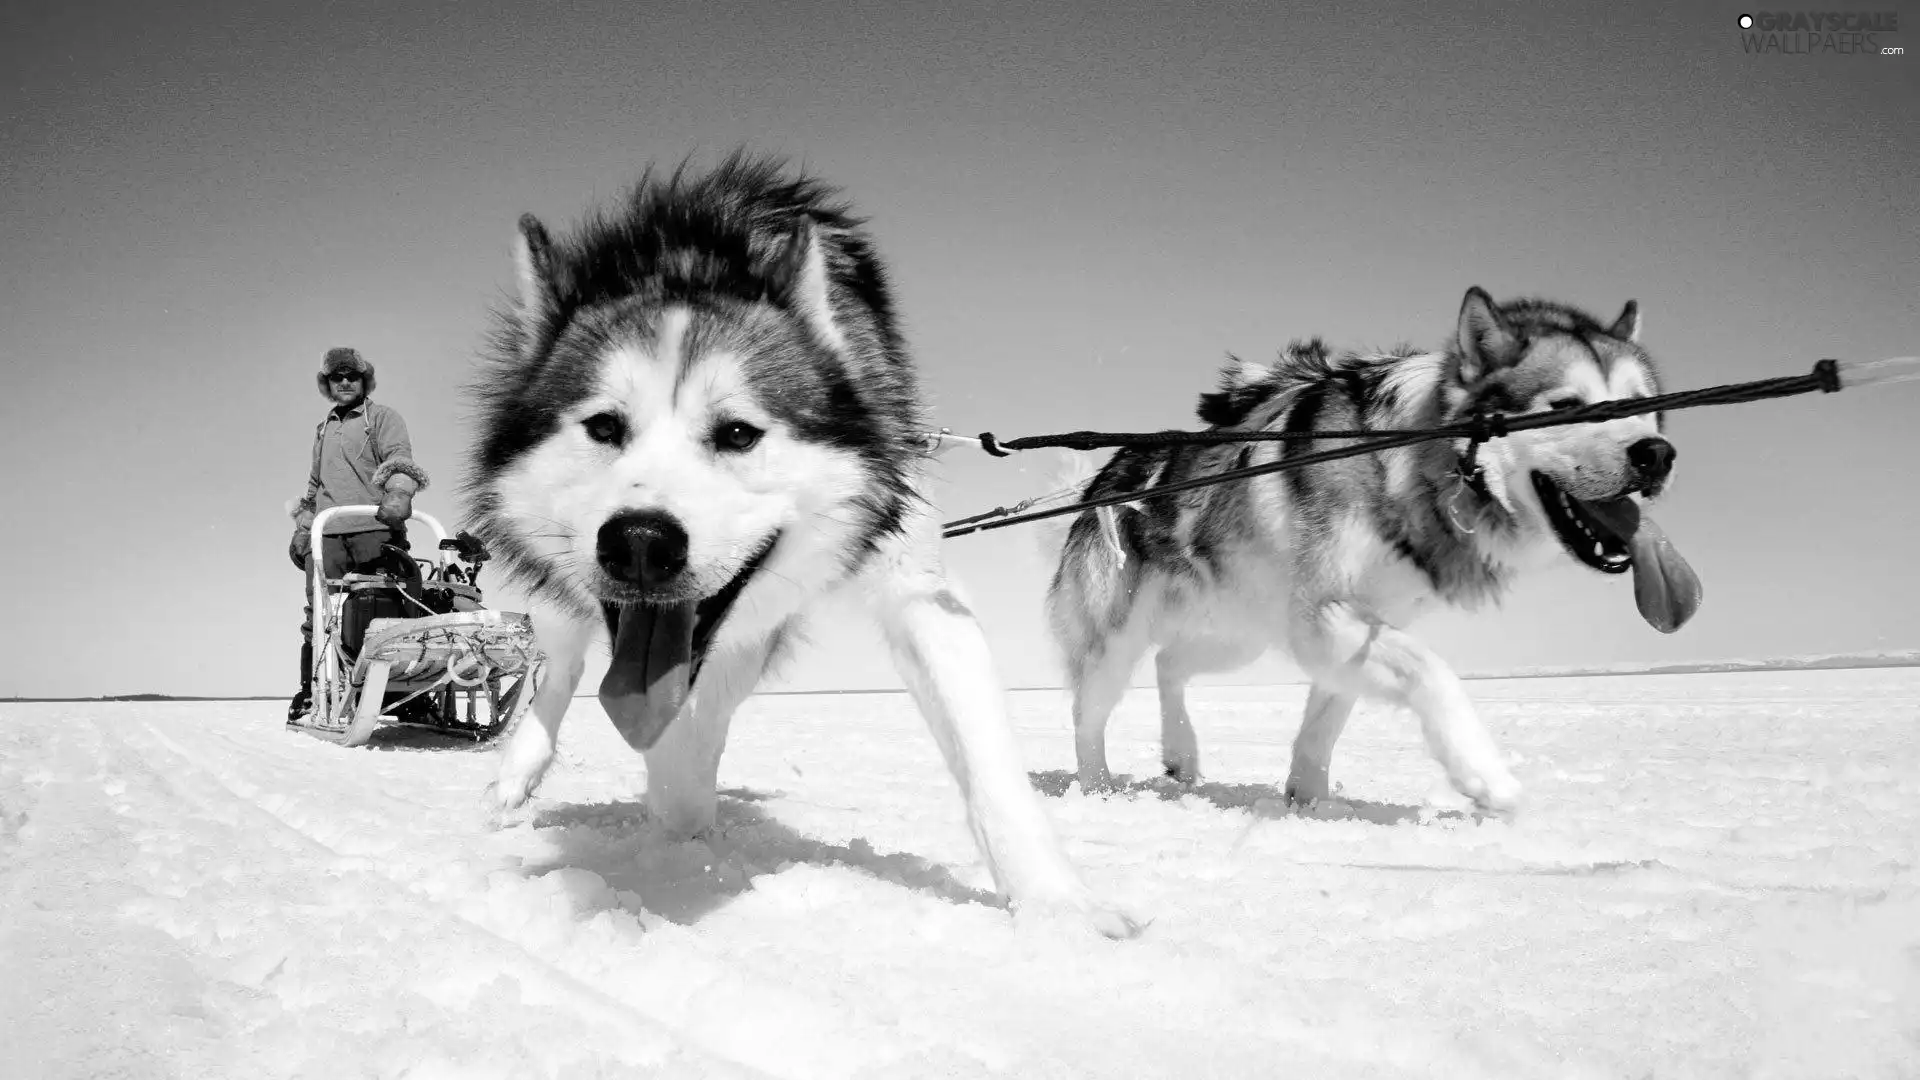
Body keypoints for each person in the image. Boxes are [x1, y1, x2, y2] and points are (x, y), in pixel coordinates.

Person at [287, 347, 430, 722]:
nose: (346, 382)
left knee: (389, 610)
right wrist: (304, 525)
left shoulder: (382, 418)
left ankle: (404, 694)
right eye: (338, 377)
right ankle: (313, 692)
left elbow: (400, 459)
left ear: (365, 380)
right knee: (320, 614)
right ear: (328, 384)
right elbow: (315, 484)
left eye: (352, 376)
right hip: (329, 534)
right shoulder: (324, 429)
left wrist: (399, 492)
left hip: (375, 528)